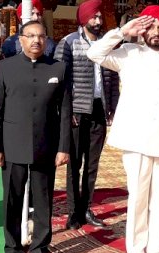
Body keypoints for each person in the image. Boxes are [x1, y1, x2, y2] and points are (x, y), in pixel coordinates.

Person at [87, 6, 159, 253]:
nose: (156, 33)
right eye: (150, 27)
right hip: (135, 139)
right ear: (142, 29)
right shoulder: (127, 53)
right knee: (138, 200)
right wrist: (122, 32)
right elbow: (94, 53)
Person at [0, 20, 69, 253]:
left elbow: (65, 112)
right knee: (12, 202)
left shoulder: (58, 67)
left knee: (44, 202)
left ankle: (40, 251)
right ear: (21, 40)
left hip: (46, 146)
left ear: (46, 40)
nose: (36, 40)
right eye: (31, 36)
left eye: (41, 36)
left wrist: (63, 147)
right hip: (11, 145)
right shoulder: (5, 68)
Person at [54, 0, 117, 230]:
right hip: (76, 112)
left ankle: (86, 208)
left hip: (99, 109)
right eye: (94, 17)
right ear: (83, 18)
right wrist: (66, 111)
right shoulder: (68, 43)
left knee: (92, 164)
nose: (98, 21)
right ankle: (73, 212)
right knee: (75, 164)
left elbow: (112, 78)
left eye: (100, 17)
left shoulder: (106, 44)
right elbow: (61, 82)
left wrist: (113, 105)